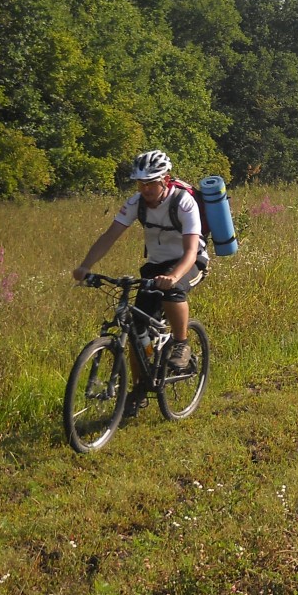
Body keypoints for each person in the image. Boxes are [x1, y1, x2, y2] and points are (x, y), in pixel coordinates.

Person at [71, 149, 207, 414]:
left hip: (189, 262)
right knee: (136, 327)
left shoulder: (183, 202)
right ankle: (139, 388)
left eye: (150, 183)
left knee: (173, 293)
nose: (145, 189)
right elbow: (109, 236)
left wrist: (174, 277)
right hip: (155, 266)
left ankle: (181, 343)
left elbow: (191, 250)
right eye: (140, 183)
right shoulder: (136, 203)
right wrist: (86, 266)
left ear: (165, 179)